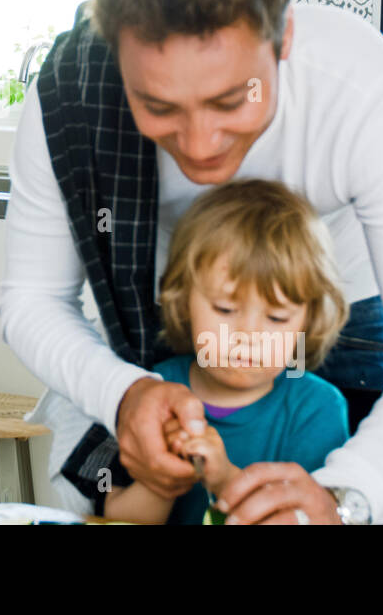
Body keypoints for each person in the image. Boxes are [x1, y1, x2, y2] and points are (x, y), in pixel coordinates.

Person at [0, 0, 383, 525]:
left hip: (326, 300)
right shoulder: (72, 96)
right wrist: (124, 395)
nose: (199, 147)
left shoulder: (362, 92)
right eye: (159, 107)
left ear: (281, 37)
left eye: (230, 101)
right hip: (162, 312)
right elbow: (32, 299)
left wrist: (342, 500)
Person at [102, 180, 349, 525]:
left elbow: (304, 520)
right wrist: (164, 476)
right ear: (183, 300)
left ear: (309, 321)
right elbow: (115, 516)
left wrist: (223, 477)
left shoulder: (316, 409)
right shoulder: (152, 389)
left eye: (276, 317)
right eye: (224, 309)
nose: (247, 336)